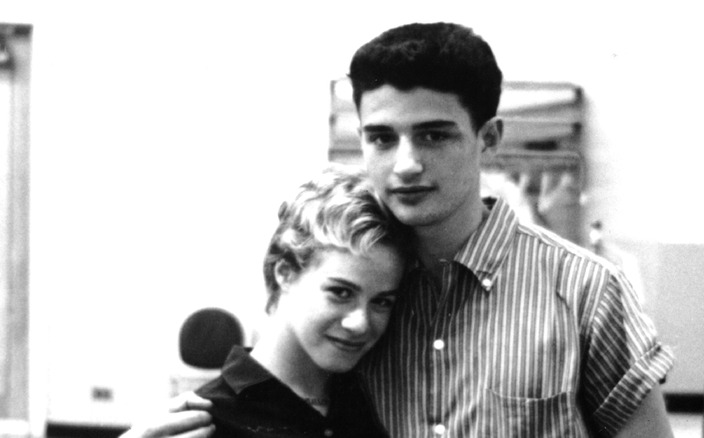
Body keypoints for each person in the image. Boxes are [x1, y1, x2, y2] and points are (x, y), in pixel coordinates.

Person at [122, 22, 675, 437]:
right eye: (382, 138)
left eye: (434, 136)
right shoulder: (359, 286)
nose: (405, 164)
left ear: (488, 139)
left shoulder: (585, 290)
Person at [128, 166, 408, 438]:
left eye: (381, 302)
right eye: (341, 293)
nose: (360, 323)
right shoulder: (203, 423)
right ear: (285, 272)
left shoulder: (377, 406)